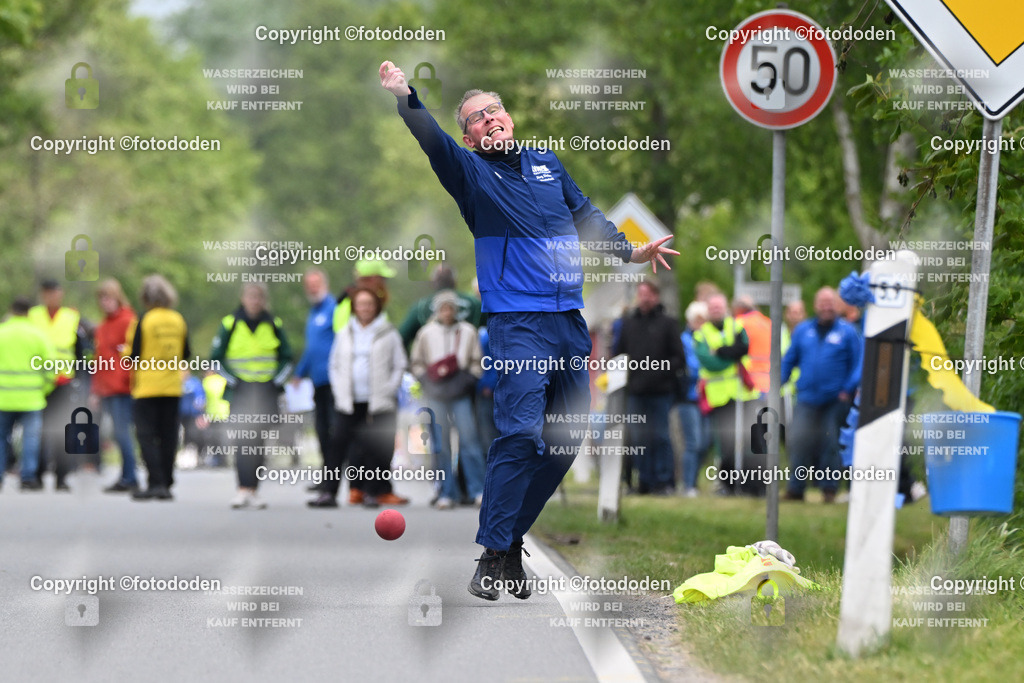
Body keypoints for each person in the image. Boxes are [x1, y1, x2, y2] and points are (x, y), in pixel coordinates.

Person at [380, 60, 677, 600]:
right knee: (520, 433)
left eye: (493, 110)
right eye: (476, 118)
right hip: (518, 323)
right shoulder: (471, 173)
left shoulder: (547, 164)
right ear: (470, 135)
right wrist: (407, 97)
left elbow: (587, 216)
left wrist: (630, 251)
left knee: (565, 439)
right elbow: (433, 142)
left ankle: (510, 540)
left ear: (509, 118)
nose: (488, 120)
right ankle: (494, 553)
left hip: (568, 321)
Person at [312, 287, 408, 508]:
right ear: (354, 307)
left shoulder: (388, 332)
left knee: (375, 448)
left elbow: (400, 364)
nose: (365, 308)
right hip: (349, 401)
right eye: (361, 304)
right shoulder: (345, 332)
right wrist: (338, 390)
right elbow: (334, 364)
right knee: (337, 446)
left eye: (369, 304)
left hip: (378, 401)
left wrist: (389, 388)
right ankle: (329, 492)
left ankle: (372, 492)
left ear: (376, 307)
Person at [211, 283, 293, 509]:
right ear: (243, 298)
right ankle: (242, 488)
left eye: (258, 297)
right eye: (250, 297)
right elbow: (216, 358)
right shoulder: (230, 323)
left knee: (259, 441)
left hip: (265, 389)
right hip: (241, 390)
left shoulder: (274, 324)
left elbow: (286, 356)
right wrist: (234, 381)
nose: (254, 301)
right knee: (243, 439)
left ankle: (254, 489)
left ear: (263, 300)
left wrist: (276, 380)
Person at [781, 287, 862, 503]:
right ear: (815, 305)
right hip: (807, 397)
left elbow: (858, 364)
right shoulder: (802, 331)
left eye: (830, 302)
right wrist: (778, 380)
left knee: (830, 442)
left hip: (836, 398)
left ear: (837, 305)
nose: (826, 307)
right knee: (798, 440)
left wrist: (848, 388)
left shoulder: (848, 331)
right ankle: (795, 489)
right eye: (822, 302)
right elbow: (789, 359)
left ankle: (829, 489)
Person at [410, 290, 486, 509]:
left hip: (460, 392)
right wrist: (426, 380)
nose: (447, 312)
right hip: (436, 393)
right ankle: (446, 491)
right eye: (443, 308)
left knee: (469, 440)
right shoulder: (426, 333)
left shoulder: (468, 332)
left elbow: (476, 361)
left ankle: (477, 489)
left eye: (450, 308)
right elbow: (417, 362)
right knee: (440, 444)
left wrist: (469, 379)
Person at [613, 280, 686, 495]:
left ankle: (663, 481)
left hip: (661, 391)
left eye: (648, 294)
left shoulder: (668, 323)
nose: (644, 298)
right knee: (639, 437)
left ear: (656, 296)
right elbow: (619, 355)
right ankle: (643, 481)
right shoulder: (628, 323)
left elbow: (679, 358)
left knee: (661, 436)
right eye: (641, 294)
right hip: (636, 392)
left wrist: (660, 371)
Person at [126, 275, 190, 501]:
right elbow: (185, 354)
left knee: (146, 436)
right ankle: (167, 481)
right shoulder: (178, 320)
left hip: (147, 387)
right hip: (172, 386)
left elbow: (133, 355)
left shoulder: (145, 321)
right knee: (169, 435)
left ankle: (155, 482)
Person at [693, 293, 760, 495]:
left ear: (725, 308)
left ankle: (752, 486)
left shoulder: (737, 326)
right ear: (708, 311)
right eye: (713, 308)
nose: (716, 311)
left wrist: (720, 351)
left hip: (743, 394)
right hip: (719, 397)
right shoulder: (701, 334)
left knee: (750, 440)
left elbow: (744, 348)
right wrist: (731, 354)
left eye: (719, 307)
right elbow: (709, 362)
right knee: (726, 443)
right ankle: (727, 485)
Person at [29, 279, 88, 491]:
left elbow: (80, 351)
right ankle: (35, 475)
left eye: (54, 292)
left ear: (61, 294)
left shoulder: (71, 317)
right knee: (39, 431)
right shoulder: (33, 316)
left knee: (62, 430)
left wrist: (80, 380)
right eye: (47, 293)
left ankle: (61, 477)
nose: (51, 296)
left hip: (64, 381)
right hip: (37, 381)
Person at [0, 297, 55, 491]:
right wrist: (44, 389)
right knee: (30, 439)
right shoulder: (37, 335)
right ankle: (28, 477)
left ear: (11, 310)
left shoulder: (2, 333)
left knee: (1, 437)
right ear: (29, 312)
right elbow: (50, 367)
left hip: (3, 398)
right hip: (31, 398)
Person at [90, 279, 139, 493]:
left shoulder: (128, 320)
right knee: (116, 434)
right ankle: (126, 475)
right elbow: (99, 359)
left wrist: (128, 381)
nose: (105, 303)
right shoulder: (102, 326)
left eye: (108, 298)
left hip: (122, 386)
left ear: (117, 298)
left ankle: (130, 477)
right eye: (101, 299)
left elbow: (133, 356)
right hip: (105, 387)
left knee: (123, 433)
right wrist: (95, 389)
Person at [291, 268, 337, 488]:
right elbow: (312, 349)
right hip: (317, 381)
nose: (312, 288)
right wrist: (299, 372)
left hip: (335, 381)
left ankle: (337, 479)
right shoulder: (312, 313)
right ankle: (326, 477)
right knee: (321, 430)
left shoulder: (334, 309)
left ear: (324, 284)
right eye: (309, 284)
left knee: (334, 430)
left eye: (316, 283)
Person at [399, 265, 484, 349]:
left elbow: (401, 338)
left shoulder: (420, 307)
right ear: (455, 281)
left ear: (433, 282)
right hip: (469, 357)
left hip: (432, 359)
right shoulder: (475, 304)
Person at [677, 301, 712, 497]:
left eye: (703, 320)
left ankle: (694, 482)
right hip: (688, 397)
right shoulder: (684, 340)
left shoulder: (708, 339)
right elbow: (691, 364)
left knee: (706, 441)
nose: (700, 324)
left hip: (707, 397)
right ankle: (687, 484)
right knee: (693, 442)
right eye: (697, 320)